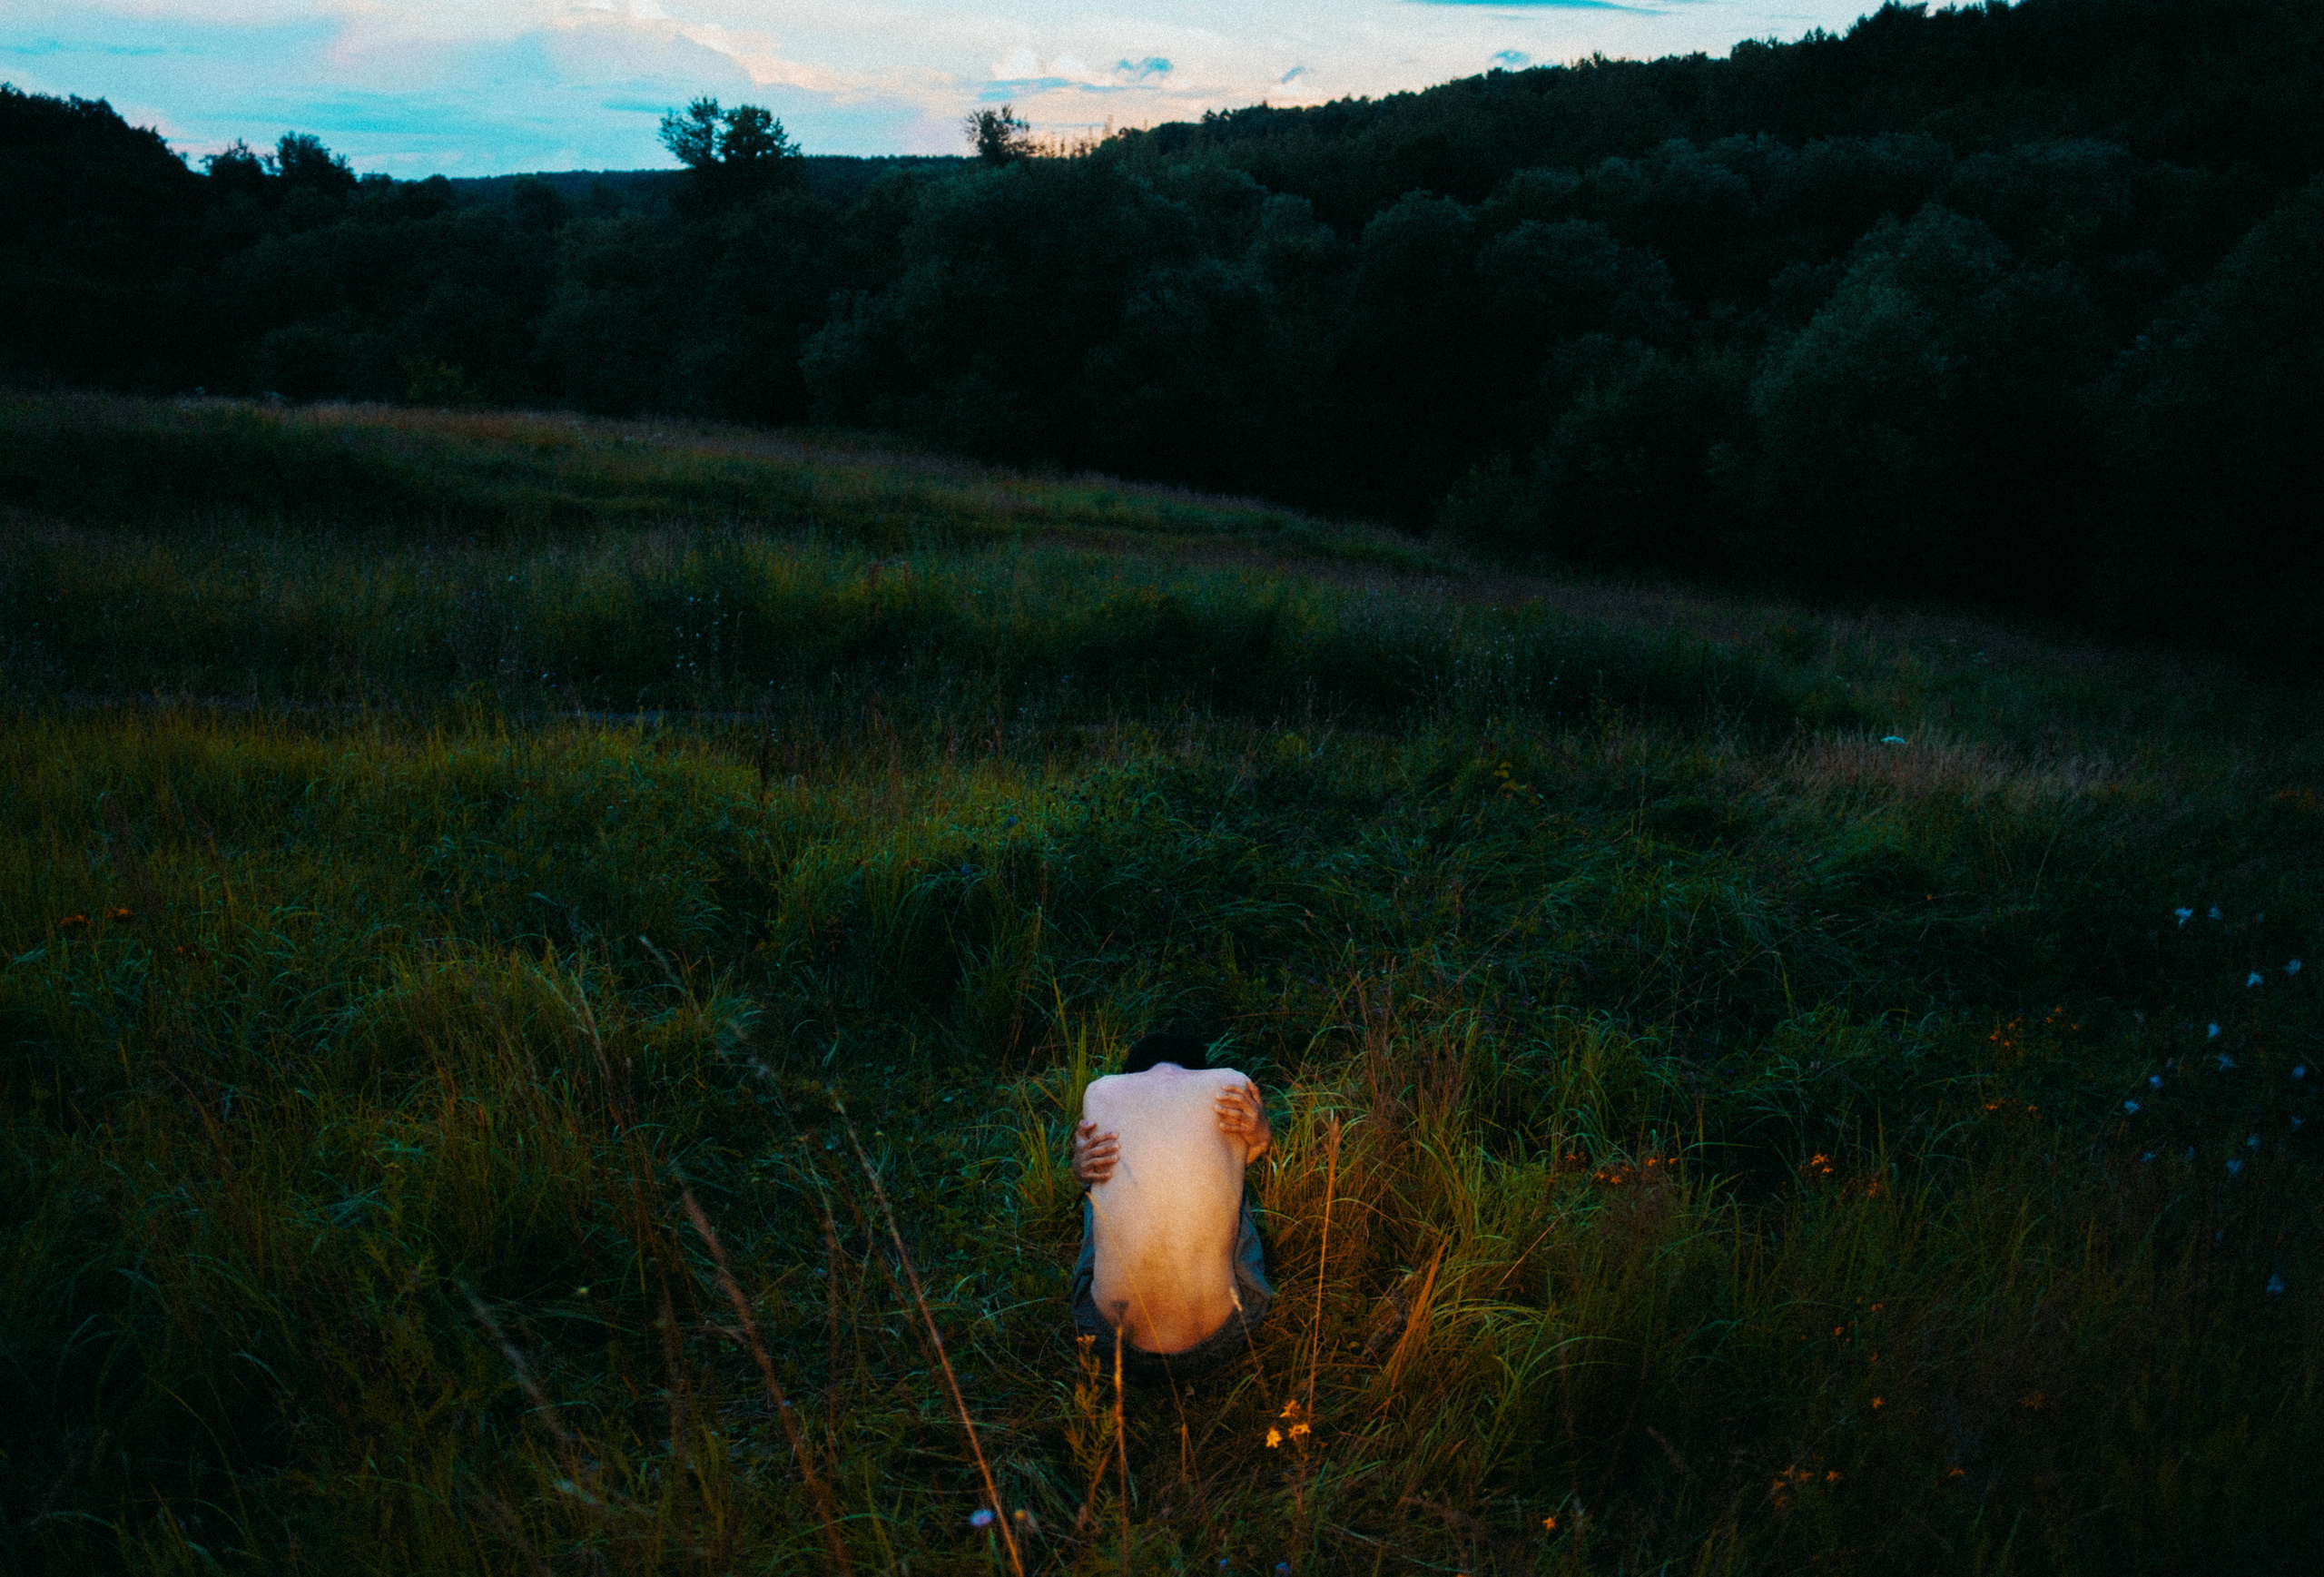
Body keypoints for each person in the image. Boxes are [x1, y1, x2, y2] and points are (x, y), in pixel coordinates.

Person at [1068, 1027, 1275, 1380]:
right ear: (1196, 1070)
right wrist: (1262, 1136)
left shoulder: (1101, 1092)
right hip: (1223, 1338)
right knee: (1233, 1184)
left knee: (1097, 1186)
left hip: (1108, 1342)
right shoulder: (1229, 1084)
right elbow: (1238, 1162)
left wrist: (1080, 1171)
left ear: (1134, 1073)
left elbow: (1095, 1172)